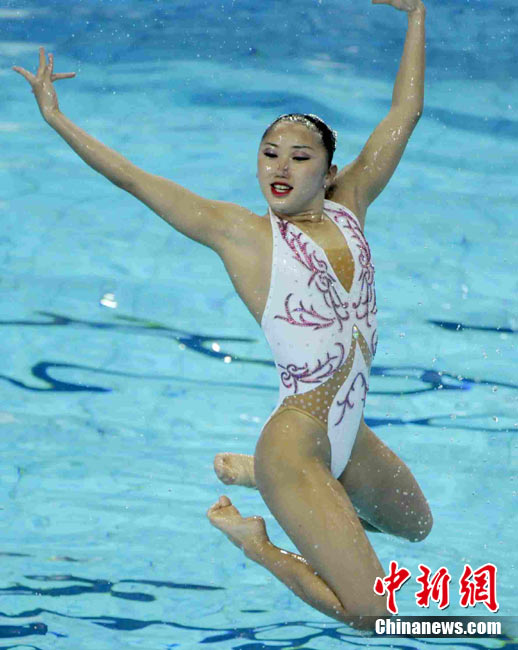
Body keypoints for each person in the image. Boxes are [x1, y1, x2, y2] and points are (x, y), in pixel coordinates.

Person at [12, 0, 430, 629]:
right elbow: (134, 180)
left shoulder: (352, 204)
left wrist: (417, 15)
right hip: (296, 446)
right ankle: (258, 538)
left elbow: (405, 113)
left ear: (330, 171)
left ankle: (264, 480)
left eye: (299, 157)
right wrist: (55, 118)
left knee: (416, 527)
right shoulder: (244, 235)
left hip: (348, 432)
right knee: (374, 615)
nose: (280, 168)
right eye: (269, 154)